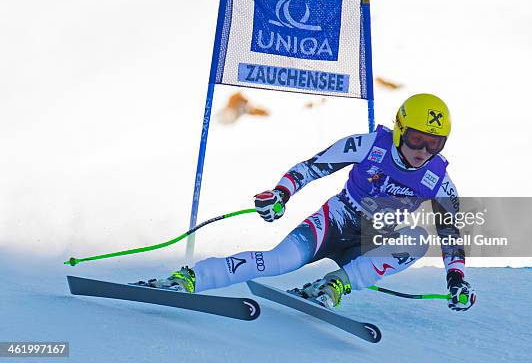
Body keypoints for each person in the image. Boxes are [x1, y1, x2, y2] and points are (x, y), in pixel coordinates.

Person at [143, 93, 476, 311]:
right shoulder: (369, 144)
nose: (423, 151)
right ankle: (190, 278)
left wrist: (456, 279)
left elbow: (450, 237)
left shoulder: (439, 181)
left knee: (417, 239)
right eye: (417, 139)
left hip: (373, 239)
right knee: (279, 261)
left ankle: (336, 284)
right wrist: (280, 194)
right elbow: (312, 167)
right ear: (401, 129)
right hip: (337, 220)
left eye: (434, 144)